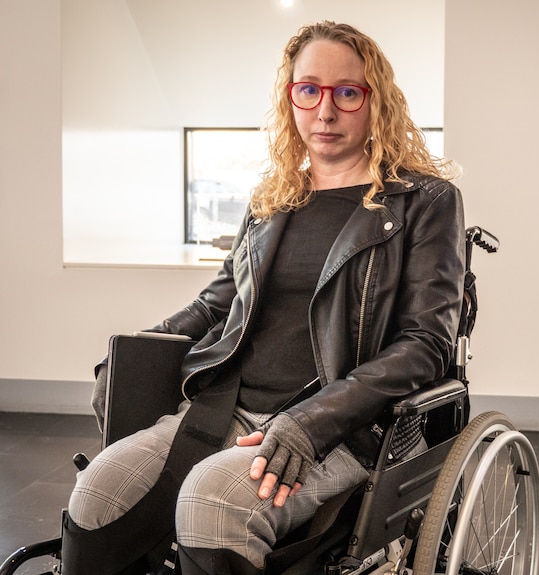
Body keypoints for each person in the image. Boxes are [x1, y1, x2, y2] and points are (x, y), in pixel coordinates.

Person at [63, 21, 466, 575]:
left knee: (211, 502)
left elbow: (426, 343)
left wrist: (309, 423)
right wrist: (136, 348)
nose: (325, 112)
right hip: (222, 406)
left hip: (338, 426)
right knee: (96, 494)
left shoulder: (424, 200)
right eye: (309, 90)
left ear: (377, 102)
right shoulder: (273, 200)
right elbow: (216, 304)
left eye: (348, 92)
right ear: (291, 98)